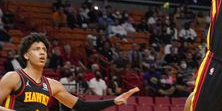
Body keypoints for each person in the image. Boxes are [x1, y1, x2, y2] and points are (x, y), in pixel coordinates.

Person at [0, 33, 139, 111]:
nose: (42, 52)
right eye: (36, 49)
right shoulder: (14, 77)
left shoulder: (52, 85)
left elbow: (82, 106)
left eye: (44, 50)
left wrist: (114, 101)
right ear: (26, 55)